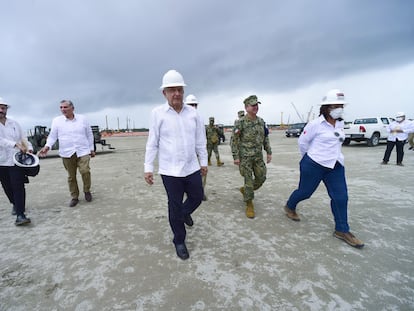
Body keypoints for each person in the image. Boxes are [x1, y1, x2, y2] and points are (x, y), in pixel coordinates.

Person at [284, 89, 364, 248]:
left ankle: (342, 230)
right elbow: (303, 143)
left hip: (335, 165)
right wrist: (308, 159)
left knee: (341, 197)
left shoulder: (341, 123)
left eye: (341, 105)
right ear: (326, 107)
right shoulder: (315, 124)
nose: (339, 109)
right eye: (336, 105)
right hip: (313, 164)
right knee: (305, 192)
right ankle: (290, 206)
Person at [144, 70, 208, 260]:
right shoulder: (157, 114)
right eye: (171, 90)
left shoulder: (194, 114)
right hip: (169, 170)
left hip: (191, 167)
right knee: (173, 205)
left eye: (179, 89)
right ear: (164, 93)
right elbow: (152, 142)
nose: (176, 94)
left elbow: (200, 141)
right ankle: (179, 240)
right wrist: (148, 167)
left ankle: (184, 213)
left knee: (197, 197)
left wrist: (203, 162)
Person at [39, 100, 95, 207]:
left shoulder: (83, 119)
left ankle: (87, 190)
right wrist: (47, 146)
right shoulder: (57, 121)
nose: (62, 109)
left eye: (65, 107)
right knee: (71, 176)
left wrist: (91, 149)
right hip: (67, 152)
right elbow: (52, 136)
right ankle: (74, 197)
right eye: (61, 107)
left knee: (85, 171)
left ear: (72, 108)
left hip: (82, 150)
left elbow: (89, 134)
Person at [231, 95, 272, 218]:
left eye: (256, 105)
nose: (255, 107)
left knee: (261, 178)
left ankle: (246, 191)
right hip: (245, 158)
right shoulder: (241, 122)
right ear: (246, 107)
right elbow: (234, 140)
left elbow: (265, 138)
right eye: (253, 105)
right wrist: (236, 156)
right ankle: (249, 203)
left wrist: (269, 152)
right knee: (248, 181)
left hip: (258, 157)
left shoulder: (261, 121)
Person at [0, 98, 39, 225]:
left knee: (18, 186)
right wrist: (15, 144)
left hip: (16, 161)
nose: (1, 110)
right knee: (7, 187)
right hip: (1, 162)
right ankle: (15, 204)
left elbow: (23, 138)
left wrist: (30, 149)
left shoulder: (14, 123)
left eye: (3, 107)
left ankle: (20, 215)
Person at [185, 94, 208, 201]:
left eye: (195, 104)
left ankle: (201, 192)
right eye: (190, 104)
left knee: (202, 174)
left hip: (198, 152)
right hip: (187, 153)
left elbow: (202, 137)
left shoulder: (199, 118)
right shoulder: (181, 118)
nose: (193, 107)